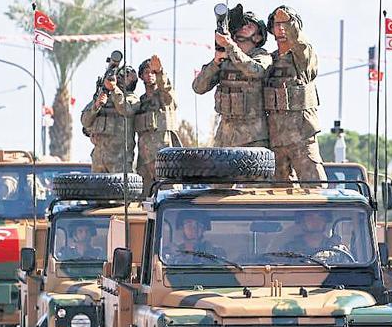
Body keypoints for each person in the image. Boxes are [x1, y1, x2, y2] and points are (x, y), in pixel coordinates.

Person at [263, 6, 327, 184]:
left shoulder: (302, 57)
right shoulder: (269, 60)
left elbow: (301, 46)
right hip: (275, 137)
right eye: (277, 24)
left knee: (315, 188)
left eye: (286, 24)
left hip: (302, 135)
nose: (281, 28)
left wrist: (291, 25)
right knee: (277, 192)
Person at [193, 10, 272, 149]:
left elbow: (256, 70)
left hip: (253, 138)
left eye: (249, 26)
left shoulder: (262, 56)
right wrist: (216, 62)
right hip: (225, 138)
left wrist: (230, 46)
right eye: (242, 24)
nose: (243, 27)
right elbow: (198, 87)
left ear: (258, 37)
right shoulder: (225, 59)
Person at [135, 55, 182, 191]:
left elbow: (167, 92)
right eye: (146, 72)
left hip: (164, 153)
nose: (150, 75)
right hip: (145, 156)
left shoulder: (164, 96)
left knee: (170, 191)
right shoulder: (140, 102)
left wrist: (160, 72)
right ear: (141, 76)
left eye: (153, 72)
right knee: (145, 194)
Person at [81, 66, 139, 173]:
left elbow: (126, 109)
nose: (123, 79)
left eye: (128, 77)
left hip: (119, 159)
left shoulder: (131, 98)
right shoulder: (102, 97)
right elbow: (85, 121)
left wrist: (114, 89)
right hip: (99, 159)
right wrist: (96, 105)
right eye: (122, 76)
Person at [284, 210, 350, 258]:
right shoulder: (289, 249)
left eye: (321, 216)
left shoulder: (338, 250)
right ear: (302, 221)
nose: (316, 220)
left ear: (326, 220)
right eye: (309, 216)